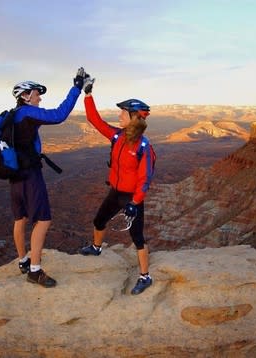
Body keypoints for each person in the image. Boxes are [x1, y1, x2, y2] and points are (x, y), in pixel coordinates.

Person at [11, 67, 89, 287]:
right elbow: (58, 115)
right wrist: (76, 88)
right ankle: (34, 271)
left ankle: (23, 261)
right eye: (36, 94)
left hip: (15, 175)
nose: (40, 97)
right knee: (43, 220)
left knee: (20, 218)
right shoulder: (27, 113)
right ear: (25, 97)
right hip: (30, 175)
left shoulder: (13, 115)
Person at [78, 76, 155, 295]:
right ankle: (96, 247)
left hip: (131, 197)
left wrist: (135, 202)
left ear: (133, 118)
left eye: (123, 113)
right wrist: (88, 94)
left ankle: (145, 276)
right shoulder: (117, 136)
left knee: (137, 237)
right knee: (99, 220)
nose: (118, 116)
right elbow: (95, 120)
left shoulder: (143, 146)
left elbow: (145, 178)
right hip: (115, 192)